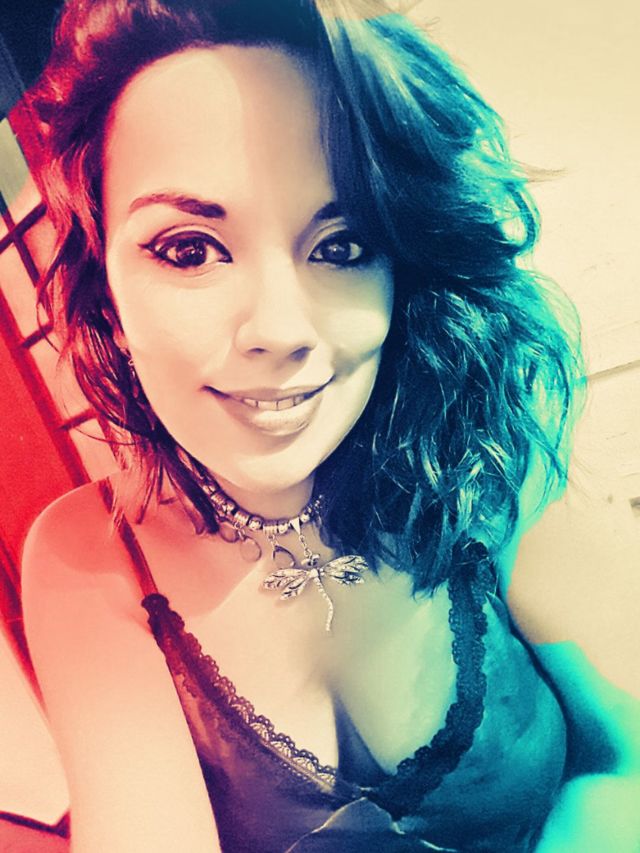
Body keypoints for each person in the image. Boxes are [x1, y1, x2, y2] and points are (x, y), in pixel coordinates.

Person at [20, 1, 639, 851]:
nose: (281, 328)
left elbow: (627, 756)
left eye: (342, 245)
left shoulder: (489, 452)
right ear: (107, 290)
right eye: (190, 248)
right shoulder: (90, 557)